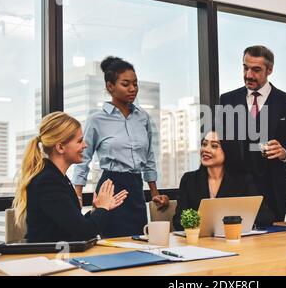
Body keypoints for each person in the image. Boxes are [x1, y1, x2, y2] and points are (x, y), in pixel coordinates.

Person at [72, 56, 169, 238]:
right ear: (110, 86)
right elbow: (83, 158)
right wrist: (77, 195)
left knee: (139, 241)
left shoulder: (143, 118)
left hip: (136, 188)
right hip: (110, 187)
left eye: (135, 84)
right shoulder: (96, 119)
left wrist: (154, 193)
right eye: (126, 84)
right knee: (112, 244)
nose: (132, 89)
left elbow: (148, 158)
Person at [13, 112, 128, 243]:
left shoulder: (56, 177)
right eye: (79, 141)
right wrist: (103, 208)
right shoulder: (48, 181)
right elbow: (84, 233)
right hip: (49, 259)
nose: (85, 145)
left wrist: (97, 210)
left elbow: (71, 225)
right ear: (60, 147)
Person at [219, 45, 286, 222]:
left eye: (256, 70)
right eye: (245, 67)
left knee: (274, 247)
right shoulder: (227, 100)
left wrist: (284, 152)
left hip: (274, 191)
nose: (248, 75)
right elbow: (219, 141)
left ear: (270, 70)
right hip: (236, 191)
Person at [173, 130, 274, 231]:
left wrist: (234, 221)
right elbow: (178, 221)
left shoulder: (243, 180)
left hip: (234, 240)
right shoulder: (189, 180)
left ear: (228, 150)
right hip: (198, 242)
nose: (206, 149)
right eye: (204, 144)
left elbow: (266, 217)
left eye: (214, 146)